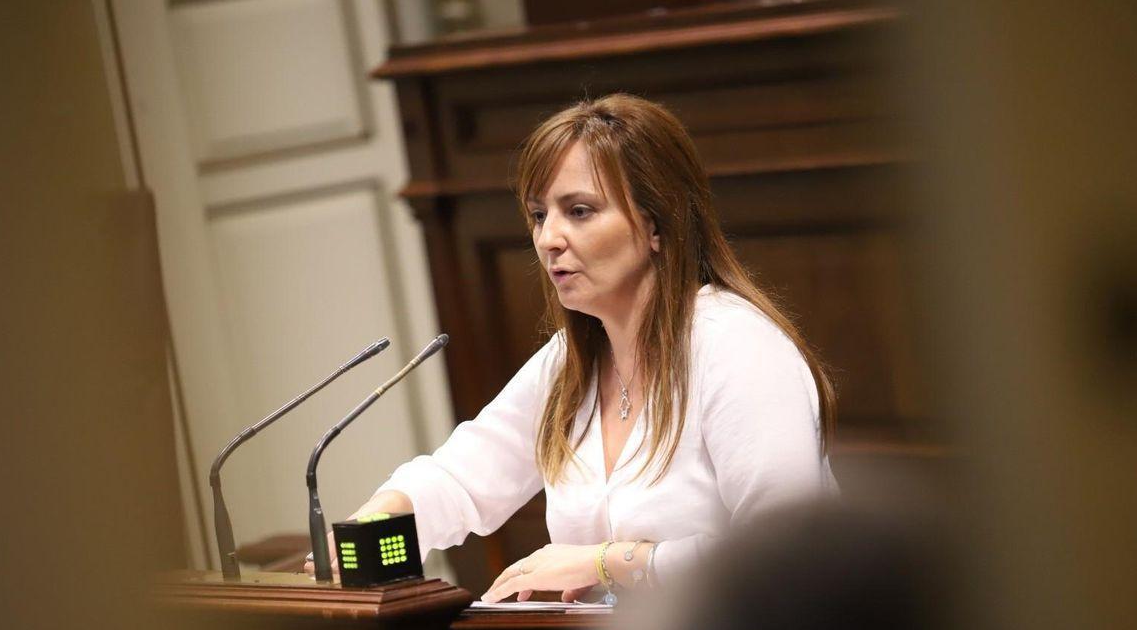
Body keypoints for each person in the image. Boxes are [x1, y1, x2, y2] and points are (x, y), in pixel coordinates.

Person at [305, 93, 838, 602]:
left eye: (578, 211)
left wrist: (609, 563)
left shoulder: (737, 348)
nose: (548, 239)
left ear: (655, 225)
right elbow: (462, 477)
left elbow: (790, 552)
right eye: (540, 215)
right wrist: (381, 517)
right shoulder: (571, 360)